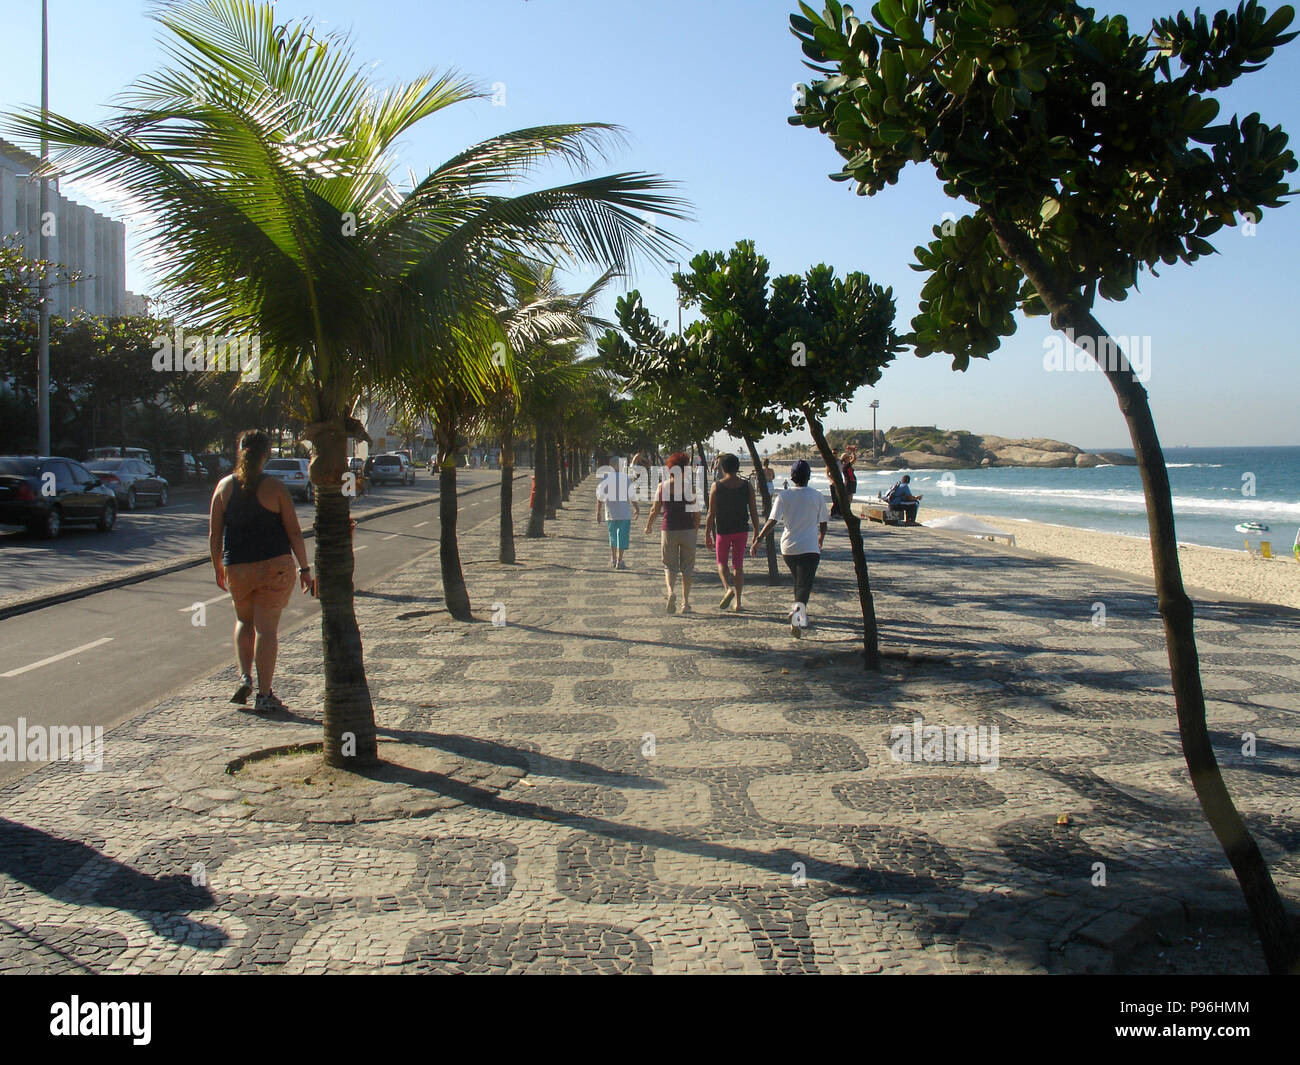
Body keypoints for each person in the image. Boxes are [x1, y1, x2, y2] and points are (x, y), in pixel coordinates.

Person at [209, 430, 313, 712]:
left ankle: (245, 676)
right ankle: (265, 694)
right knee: (266, 629)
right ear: (266, 454)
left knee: (244, 621)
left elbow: (215, 534)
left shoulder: (223, 488)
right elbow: (293, 530)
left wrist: (218, 566)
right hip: (274, 566)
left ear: (239, 450)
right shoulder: (275, 488)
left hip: (237, 567)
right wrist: (305, 568)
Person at [751, 459, 828, 638]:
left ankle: (800, 613)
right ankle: (797, 616)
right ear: (809, 476)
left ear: (792, 477)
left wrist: (758, 539)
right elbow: (823, 523)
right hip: (810, 548)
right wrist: (820, 538)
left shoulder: (784, 496)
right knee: (804, 585)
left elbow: (772, 521)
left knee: (800, 582)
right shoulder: (817, 495)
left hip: (789, 549)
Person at [705, 453, 762, 612]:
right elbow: (753, 511)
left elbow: (711, 513)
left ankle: (727, 588)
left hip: (723, 530)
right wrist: (757, 532)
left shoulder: (717, 486)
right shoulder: (747, 485)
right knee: (738, 565)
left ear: (722, 468)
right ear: (737, 467)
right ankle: (738, 602)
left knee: (721, 562)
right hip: (741, 530)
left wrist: (707, 533)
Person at [645, 451, 699, 614]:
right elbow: (696, 512)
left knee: (669, 565)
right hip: (688, 530)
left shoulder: (662, 486)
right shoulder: (690, 487)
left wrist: (648, 525)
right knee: (688, 568)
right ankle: (686, 603)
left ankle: (670, 592)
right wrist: (695, 529)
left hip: (669, 530)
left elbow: (655, 509)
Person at [596, 459, 640, 569]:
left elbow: (600, 497)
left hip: (610, 513)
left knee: (613, 537)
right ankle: (620, 561)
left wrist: (598, 512)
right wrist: (636, 507)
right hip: (624, 513)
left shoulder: (605, 478)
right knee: (622, 537)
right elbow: (632, 495)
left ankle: (613, 559)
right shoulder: (625, 478)